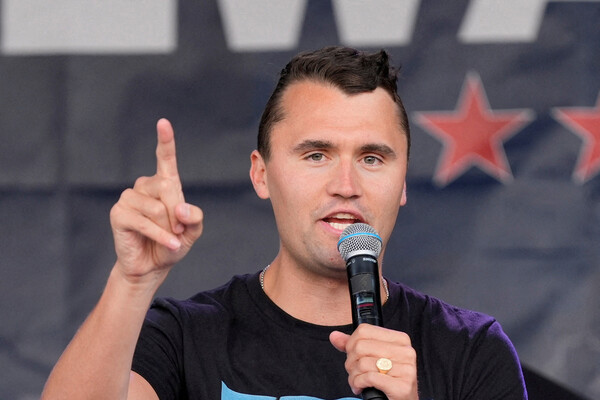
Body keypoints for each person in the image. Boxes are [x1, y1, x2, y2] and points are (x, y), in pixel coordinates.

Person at [41, 46, 527, 400]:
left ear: (402, 183)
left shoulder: (470, 350)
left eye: (372, 158)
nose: (346, 185)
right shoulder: (185, 337)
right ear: (261, 174)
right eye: (316, 155)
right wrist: (132, 281)